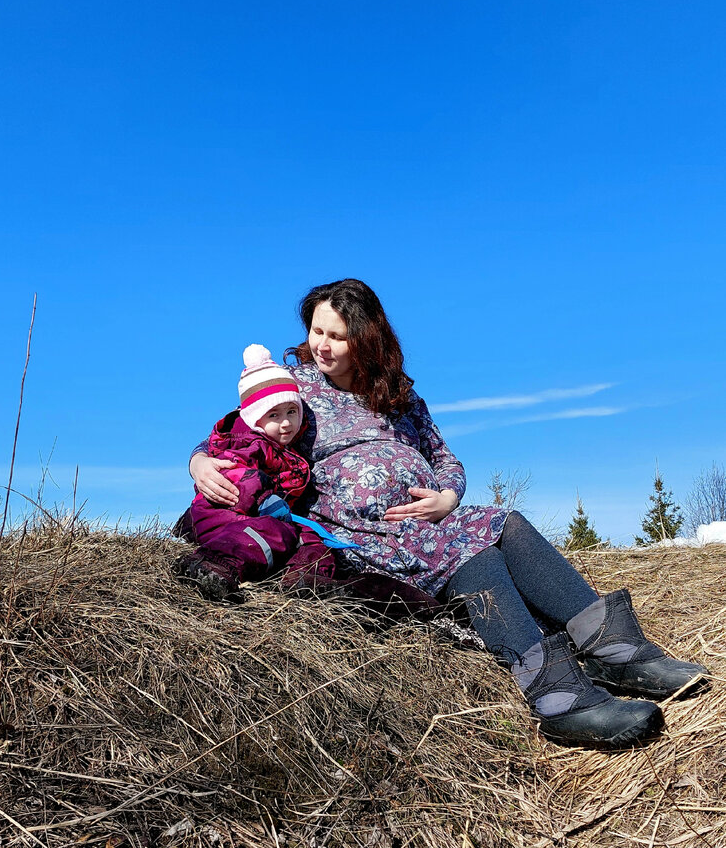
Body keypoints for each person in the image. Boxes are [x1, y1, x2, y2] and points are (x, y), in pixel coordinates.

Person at [190, 280, 709, 747]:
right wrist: (198, 460)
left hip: (427, 516)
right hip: (364, 530)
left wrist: (449, 497)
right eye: (316, 330)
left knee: (509, 523)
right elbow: (240, 431)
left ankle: (618, 651)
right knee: (471, 552)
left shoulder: (400, 397)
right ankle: (556, 697)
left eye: (338, 335)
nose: (322, 344)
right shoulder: (296, 386)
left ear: (367, 340)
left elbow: (443, 457)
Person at [175, 344, 336, 600]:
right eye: (274, 414)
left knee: (311, 537)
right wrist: (264, 500)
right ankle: (214, 564)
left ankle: (306, 578)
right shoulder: (247, 441)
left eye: (292, 412)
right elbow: (235, 473)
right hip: (221, 511)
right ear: (255, 418)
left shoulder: (282, 446)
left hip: (252, 516)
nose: (286, 422)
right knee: (275, 531)